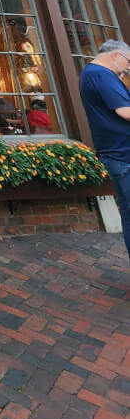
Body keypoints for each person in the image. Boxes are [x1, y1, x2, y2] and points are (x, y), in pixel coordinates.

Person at [78, 39, 130, 263]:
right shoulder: (102, 75)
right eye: (128, 61)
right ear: (115, 55)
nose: (128, 67)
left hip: (116, 153)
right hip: (124, 152)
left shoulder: (91, 74)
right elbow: (125, 112)